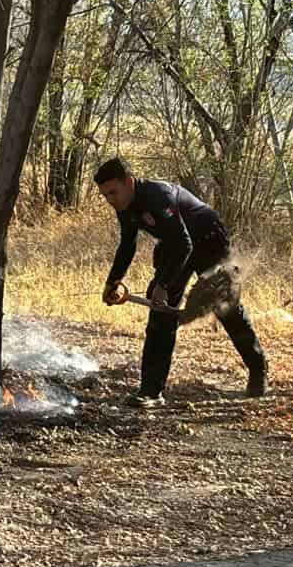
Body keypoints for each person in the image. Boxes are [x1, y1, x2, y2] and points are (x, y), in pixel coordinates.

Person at [94, 157, 268, 408]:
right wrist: (113, 281)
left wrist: (164, 285)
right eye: (105, 195)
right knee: (160, 313)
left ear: (129, 183)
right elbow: (128, 244)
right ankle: (151, 391)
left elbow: (185, 243)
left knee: (225, 307)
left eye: (113, 192)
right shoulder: (125, 206)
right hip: (175, 245)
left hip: (208, 239)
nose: (111, 200)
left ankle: (258, 369)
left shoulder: (158, 196)